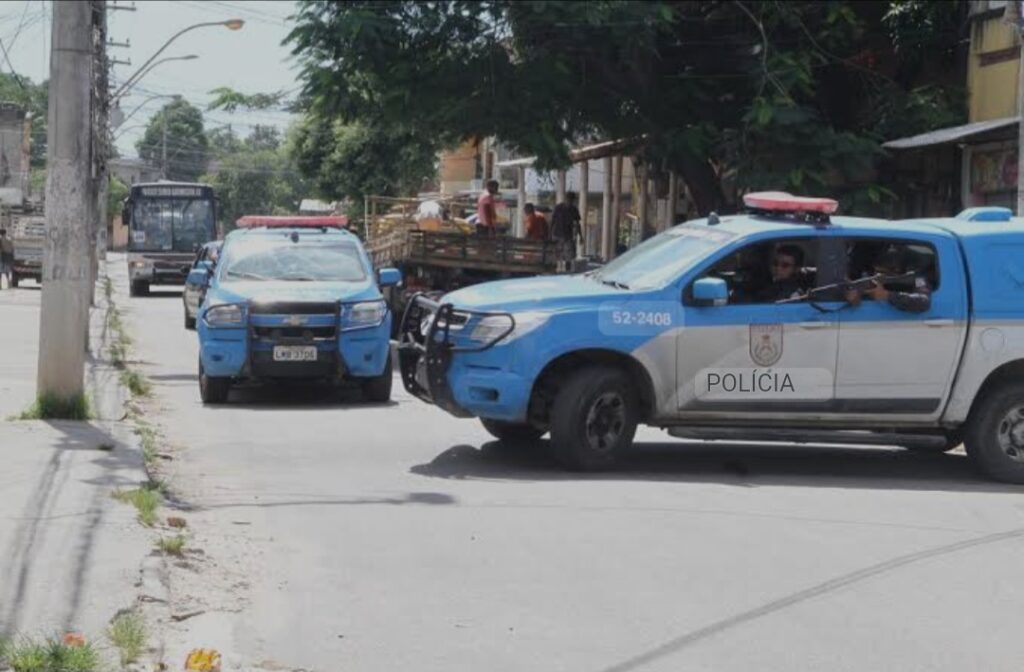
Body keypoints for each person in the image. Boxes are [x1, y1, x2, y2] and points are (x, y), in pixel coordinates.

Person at [845, 246, 931, 313]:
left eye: (882, 273)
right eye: (875, 272)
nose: (876, 276)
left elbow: (923, 302)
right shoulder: (871, 279)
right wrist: (856, 295)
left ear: (896, 271)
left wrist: (888, 295)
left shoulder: (918, 279)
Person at [551, 191, 582, 263]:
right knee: (558, 255)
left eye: (571, 200)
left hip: (568, 236)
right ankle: (559, 267)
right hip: (558, 234)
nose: (570, 201)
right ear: (566, 199)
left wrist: (580, 236)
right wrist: (550, 234)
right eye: (568, 199)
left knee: (569, 256)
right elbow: (552, 221)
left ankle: (567, 267)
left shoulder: (574, 210)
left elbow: (577, 224)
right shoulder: (558, 208)